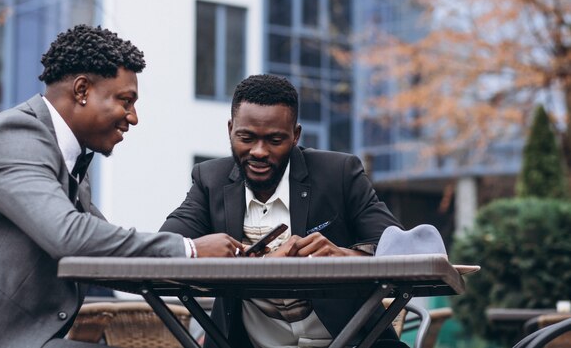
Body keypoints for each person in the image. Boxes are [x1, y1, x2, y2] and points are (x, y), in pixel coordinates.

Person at [0, 24, 243, 348]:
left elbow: (110, 255)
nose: (133, 117)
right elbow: (71, 236)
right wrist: (191, 250)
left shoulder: (68, 160)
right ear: (82, 90)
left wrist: (237, 259)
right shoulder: (14, 136)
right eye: (125, 101)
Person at [160, 74, 408, 348]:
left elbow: (400, 250)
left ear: (295, 135)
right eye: (246, 137)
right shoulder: (209, 180)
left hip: (354, 341)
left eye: (275, 140)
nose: (259, 151)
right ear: (230, 129)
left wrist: (346, 257)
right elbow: (168, 246)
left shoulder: (339, 173)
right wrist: (233, 258)